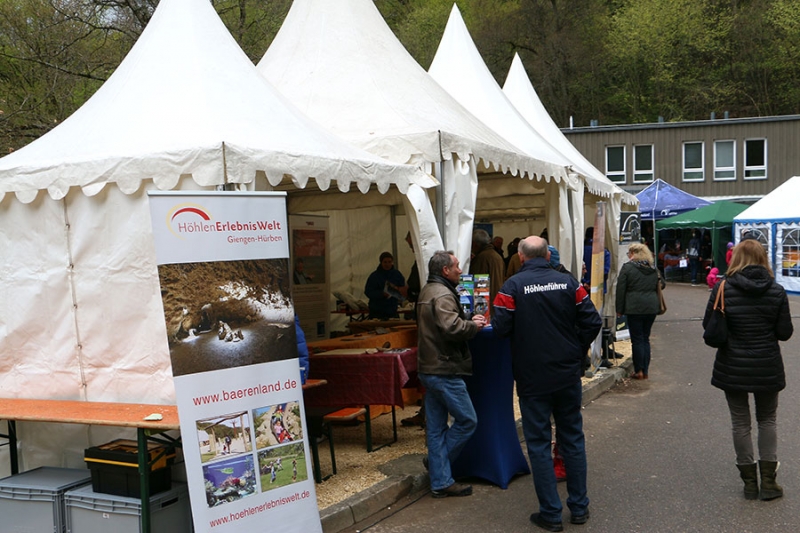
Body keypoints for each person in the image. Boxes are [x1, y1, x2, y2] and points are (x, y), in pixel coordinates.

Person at [492, 236, 601, 531]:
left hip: (532, 376)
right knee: (572, 439)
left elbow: (500, 327)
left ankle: (551, 514)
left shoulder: (511, 286)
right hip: (566, 374)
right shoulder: (569, 283)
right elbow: (593, 321)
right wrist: (574, 348)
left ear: (521, 256)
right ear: (547, 254)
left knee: (539, 444)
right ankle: (579, 508)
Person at [703, 239, 793, 501]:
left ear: (735, 258)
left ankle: (749, 484)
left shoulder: (723, 288)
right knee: (767, 420)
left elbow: (710, 326)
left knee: (740, 422)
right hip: (767, 365)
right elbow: (784, 332)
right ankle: (769, 482)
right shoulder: (776, 291)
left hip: (732, 365)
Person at [417, 250, 486, 498]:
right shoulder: (443, 294)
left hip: (429, 367)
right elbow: (451, 327)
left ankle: (441, 481)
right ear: (445, 270)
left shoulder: (429, 290)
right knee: (468, 420)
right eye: (456, 266)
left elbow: (441, 322)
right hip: (444, 369)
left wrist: (466, 317)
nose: (460, 269)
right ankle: (439, 469)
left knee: (435, 429)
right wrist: (472, 325)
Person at [616, 243, 664, 380]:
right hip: (651, 306)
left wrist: (619, 309)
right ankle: (646, 370)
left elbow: (621, 289)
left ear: (632, 253)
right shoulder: (653, 268)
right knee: (645, 338)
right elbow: (662, 284)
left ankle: (639, 371)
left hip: (634, 307)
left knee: (637, 340)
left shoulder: (628, 268)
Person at [401, 232, 425, 428]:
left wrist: (407, 291)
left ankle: (427, 412)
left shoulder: (421, 261)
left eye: (410, 244)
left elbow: (413, 287)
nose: (410, 247)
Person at [364, 251, 407, 319]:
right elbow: (368, 292)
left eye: (389, 262)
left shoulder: (397, 275)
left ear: (392, 262)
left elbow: (403, 290)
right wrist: (381, 294)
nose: (387, 264)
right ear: (381, 262)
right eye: (385, 262)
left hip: (392, 310)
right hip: (377, 311)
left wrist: (397, 291)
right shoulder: (374, 276)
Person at [470, 229, 505, 305]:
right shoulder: (497, 256)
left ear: (475, 244)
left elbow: (478, 283)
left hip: (486, 303)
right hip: (497, 299)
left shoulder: (481, 258)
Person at [582, 227, 611, 293]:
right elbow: (605, 271)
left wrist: (585, 282)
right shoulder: (604, 252)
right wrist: (591, 282)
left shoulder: (580, 250)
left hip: (583, 287)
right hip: (598, 287)